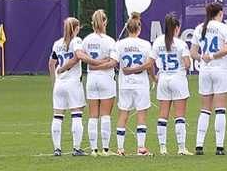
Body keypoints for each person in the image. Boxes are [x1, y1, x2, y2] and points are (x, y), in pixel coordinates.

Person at [193, 2, 227, 155]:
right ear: (220, 13)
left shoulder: (199, 28)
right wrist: (212, 56)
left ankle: (199, 145)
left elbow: (193, 53)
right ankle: (219, 146)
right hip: (220, 69)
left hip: (205, 71)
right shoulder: (224, 27)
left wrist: (203, 58)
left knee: (205, 109)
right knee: (220, 109)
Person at [113, 13, 155, 156]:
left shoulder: (119, 44)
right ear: (139, 29)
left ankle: (120, 148)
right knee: (141, 115)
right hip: (140, 83)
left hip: (125, 83)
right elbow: (149, 64)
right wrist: (153, 77)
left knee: (123, 114)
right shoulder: (145, 44)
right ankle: (141, 148)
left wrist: (127, 70)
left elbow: (114, 61)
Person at [153, 13, 192, 155]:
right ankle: (181, 148)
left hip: (163, 78)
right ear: (176, 28)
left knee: (163, 115)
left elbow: (150, 62)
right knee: (180, 115)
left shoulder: (158, 42)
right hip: (178, 79)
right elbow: (187, 64)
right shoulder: (181, 44)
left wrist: (153, 77)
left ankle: (163, 148)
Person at [47, 17, 86, 156]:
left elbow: (51, 63)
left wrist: (54, 80)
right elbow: (77, 57)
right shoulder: (77, 41)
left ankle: (57, 149)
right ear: (76, 28)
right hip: (73, 83)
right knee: (76, 115)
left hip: (60, 84)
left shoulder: (57, 43)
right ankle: (76, 148)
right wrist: (64, 68)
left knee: (58, 116)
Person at [81, 10, 118, 156]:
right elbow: (113, 62)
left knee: (92, 115)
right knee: (105, 115)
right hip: (105, 79)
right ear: (105, 22)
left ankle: (93, 149)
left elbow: (82, 56)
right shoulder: (109, 41)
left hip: (91, 79)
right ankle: (106, 149)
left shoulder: (87, 40)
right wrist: (102, 63)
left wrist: (93, 64)